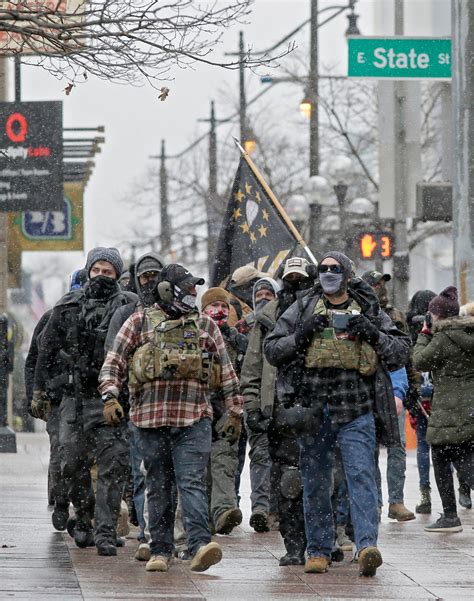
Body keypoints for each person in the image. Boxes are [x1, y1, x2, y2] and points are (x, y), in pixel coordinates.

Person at [264, 251, 410, 577]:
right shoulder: (302, 307)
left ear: (347, 274)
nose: (329, 273)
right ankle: (317, 550)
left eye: (335, 269)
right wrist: (301, 334)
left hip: (357, 409)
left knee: (361, 478)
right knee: (315, 481)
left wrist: (372, 331)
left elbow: (400, 352)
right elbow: (272, 349)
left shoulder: (369, 309)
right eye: (324, 269)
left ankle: (366, 546)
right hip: (314, 411)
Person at [99, 264, 243, 572]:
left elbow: (228, 373)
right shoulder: (138, 322)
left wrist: (235, 411)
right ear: (167, 290)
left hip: (194, 419)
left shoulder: (205, 325)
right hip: (149, 421)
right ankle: (160, 550)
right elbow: (113, 363)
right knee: (158, 484)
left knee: (191, 482)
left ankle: (199, 545)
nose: (194, 294)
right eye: (188, 288)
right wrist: (110, 397)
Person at [32, 248, 136, 556]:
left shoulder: (129, 307)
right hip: (73, 399)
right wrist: (39, 391)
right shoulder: (67, 307)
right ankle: (86, 518)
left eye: (108, 272)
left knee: (112, 467)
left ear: (117, 275)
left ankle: (105, 531)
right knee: (71, 463)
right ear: (88, 271)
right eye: (97, 271)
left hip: (113, 399)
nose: (102, 277)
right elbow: (45, 351)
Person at [241, 256, 314, 565]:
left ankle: (327, 540)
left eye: (301, 277)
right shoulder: (267, 318)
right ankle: (294, 544)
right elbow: (252, 367)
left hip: (316, 408)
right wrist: (253, 406)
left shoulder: (321, 310)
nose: (295, 283)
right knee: (287, 483)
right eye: (290, 277)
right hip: (279, 413)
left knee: (324, 480)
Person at [104, 251, 165, 562]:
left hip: (168, 405)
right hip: (133, 404)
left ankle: (156, 533)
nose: (150, 281)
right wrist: (115, 395)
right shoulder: (126, 311)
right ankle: (146, 532)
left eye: (156, 275)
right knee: (141, 473)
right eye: (145, 276)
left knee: (163, 473)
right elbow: (113, 355)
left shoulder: (176, 310)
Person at [26, 269, 87, 527]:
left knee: (79, 455)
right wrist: (35, 395)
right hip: (58, 398)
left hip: (87, 397)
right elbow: (35, 359)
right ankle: (60, 500)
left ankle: (82, 508)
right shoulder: (54, 316)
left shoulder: (100, 316)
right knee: (61, 451)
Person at [413, 286, 474, 533]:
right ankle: (450, 514)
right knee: (465, 455)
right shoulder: (468, 331)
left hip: (449, 408)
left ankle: (450, 516)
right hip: (470, 406)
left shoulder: (442, 338)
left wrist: (424, 333)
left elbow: (419, 360)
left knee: (440, 456)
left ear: (437, 316)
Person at [362, 271, 415, 522]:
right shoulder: (356, 315)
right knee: (368, 450)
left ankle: (397, 500)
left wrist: (402, 391)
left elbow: (403, 354)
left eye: (381, 284)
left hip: (393, 386)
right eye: (374, 284)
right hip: (367, 391)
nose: (379, 288)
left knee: (398, 447)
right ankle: (376, 502)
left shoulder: (394, 317)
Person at [201, 287, 248, 535]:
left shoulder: (238, 340)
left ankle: (224, 511)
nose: (219, 312)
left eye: (224, 307)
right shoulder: (195, 335)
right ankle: (205, 517)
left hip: (226, 412)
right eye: (213, 306)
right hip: (198, 412)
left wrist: (236, 410)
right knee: (201, 469)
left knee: (224, 463)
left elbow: (244, 375)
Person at [239, 275, 280, 533]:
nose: (262, 298)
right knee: (260, 456)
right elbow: (250, 370)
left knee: (281, 460)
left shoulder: (284, 322)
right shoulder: (248, 326)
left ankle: (277, 508)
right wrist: (252, 405)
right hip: (258, 405)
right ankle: (260, 509)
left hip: (284, 407)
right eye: (258, 295)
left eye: (268, 294)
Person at [406, 290, 436, 514]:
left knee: (423, 445)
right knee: (451, 446)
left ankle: (424, 492)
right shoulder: (437, 326)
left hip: (418, 394)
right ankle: (463, 487)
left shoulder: (408, 330)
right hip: (440, 395)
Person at [225, 265, 263, 329]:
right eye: (256, 282)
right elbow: (232, 335)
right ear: (245, 287)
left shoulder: (248, 302)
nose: (259, 286)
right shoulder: (232, 309)